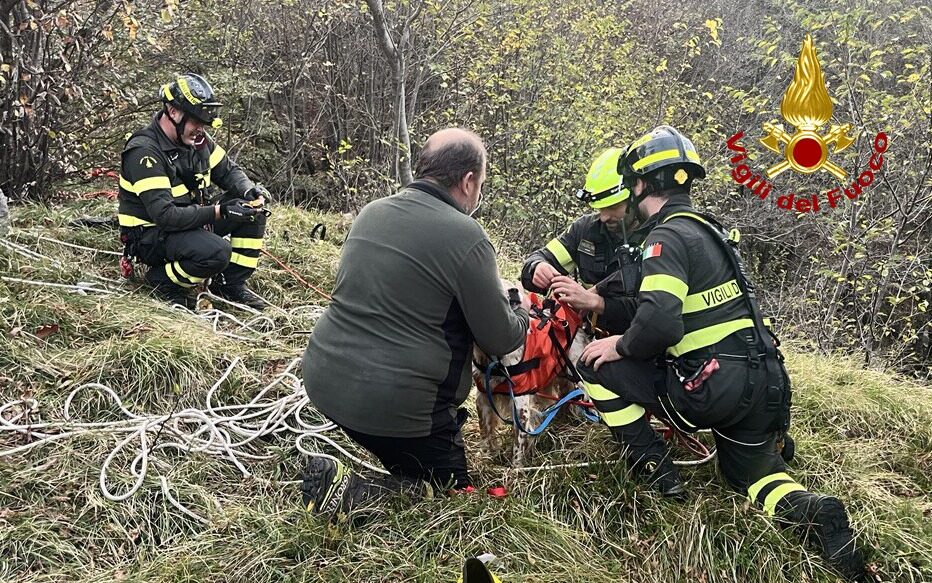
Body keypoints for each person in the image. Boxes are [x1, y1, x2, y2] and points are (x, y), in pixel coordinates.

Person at [576, 126, 865, 581]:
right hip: (766, 382)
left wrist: (617, 344)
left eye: (630, 186)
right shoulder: (710, 231)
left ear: (641, 185)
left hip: (710, 388)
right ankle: (813, 511)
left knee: (591, 364)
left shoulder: (665, 238)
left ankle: (655, 470)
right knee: (751, 476)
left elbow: (660, 322)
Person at [300, 128, 530, 516]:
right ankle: (351, 492)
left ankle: (392, 458)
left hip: (323, 381)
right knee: (451, 502)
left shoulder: (372, 211)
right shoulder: (467, 235)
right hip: (397, 410)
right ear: (468, 180)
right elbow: (501, 337)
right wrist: (520, 310)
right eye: (482, 183)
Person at [117, 73, 270, 310]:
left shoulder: (197, 140)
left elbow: (228, 171)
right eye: (196, 121)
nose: (201, 129)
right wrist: (220, 211)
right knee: (217, 251)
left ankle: (230, 284)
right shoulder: (145, 152)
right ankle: (163, 281)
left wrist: (249, 191)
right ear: (174, 112)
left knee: (252, 211)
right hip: (150, 235)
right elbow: (165, 216)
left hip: (187, 221)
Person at [521, 147, 641, 333]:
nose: (604, 217)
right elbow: (538, 258)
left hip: (633, 345)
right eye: (600, 209)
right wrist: (537, 267)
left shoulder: (655, 239)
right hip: (583, 338)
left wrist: (596, 301)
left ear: (635, 197)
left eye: (613, 207)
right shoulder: (584, 230)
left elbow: (652, 312)